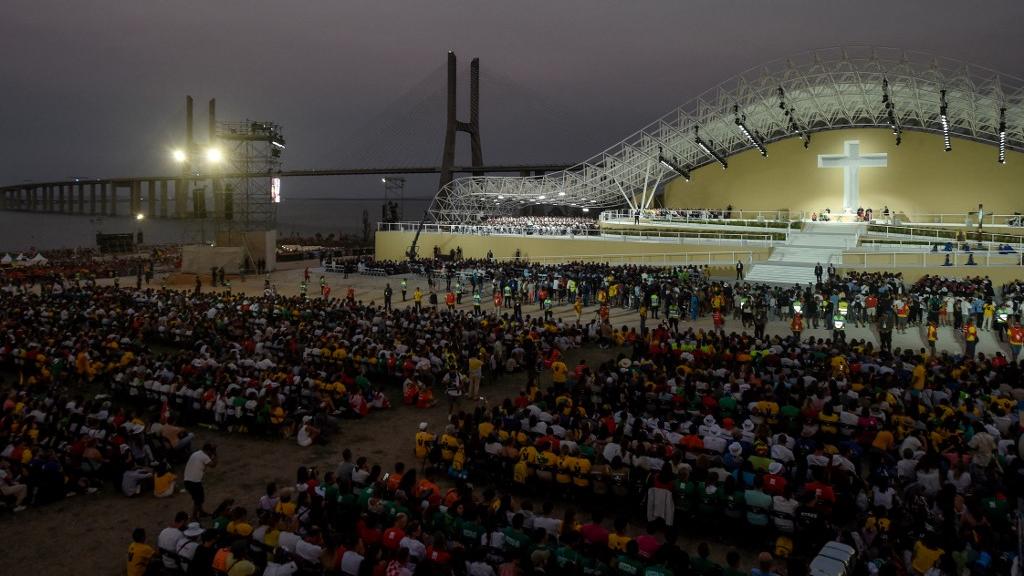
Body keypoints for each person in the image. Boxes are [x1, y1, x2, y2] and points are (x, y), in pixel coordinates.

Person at [184, 443, 217, 520]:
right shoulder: (204, 456)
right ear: (208, 451)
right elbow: (213, 465)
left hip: (188, 481)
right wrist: (215, 454)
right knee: (198, 500)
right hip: (194, 482)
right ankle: (194, 517)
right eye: (211, 451)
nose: (211, 453)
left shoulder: (197, 453)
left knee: (199, 498)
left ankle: (201, 513)